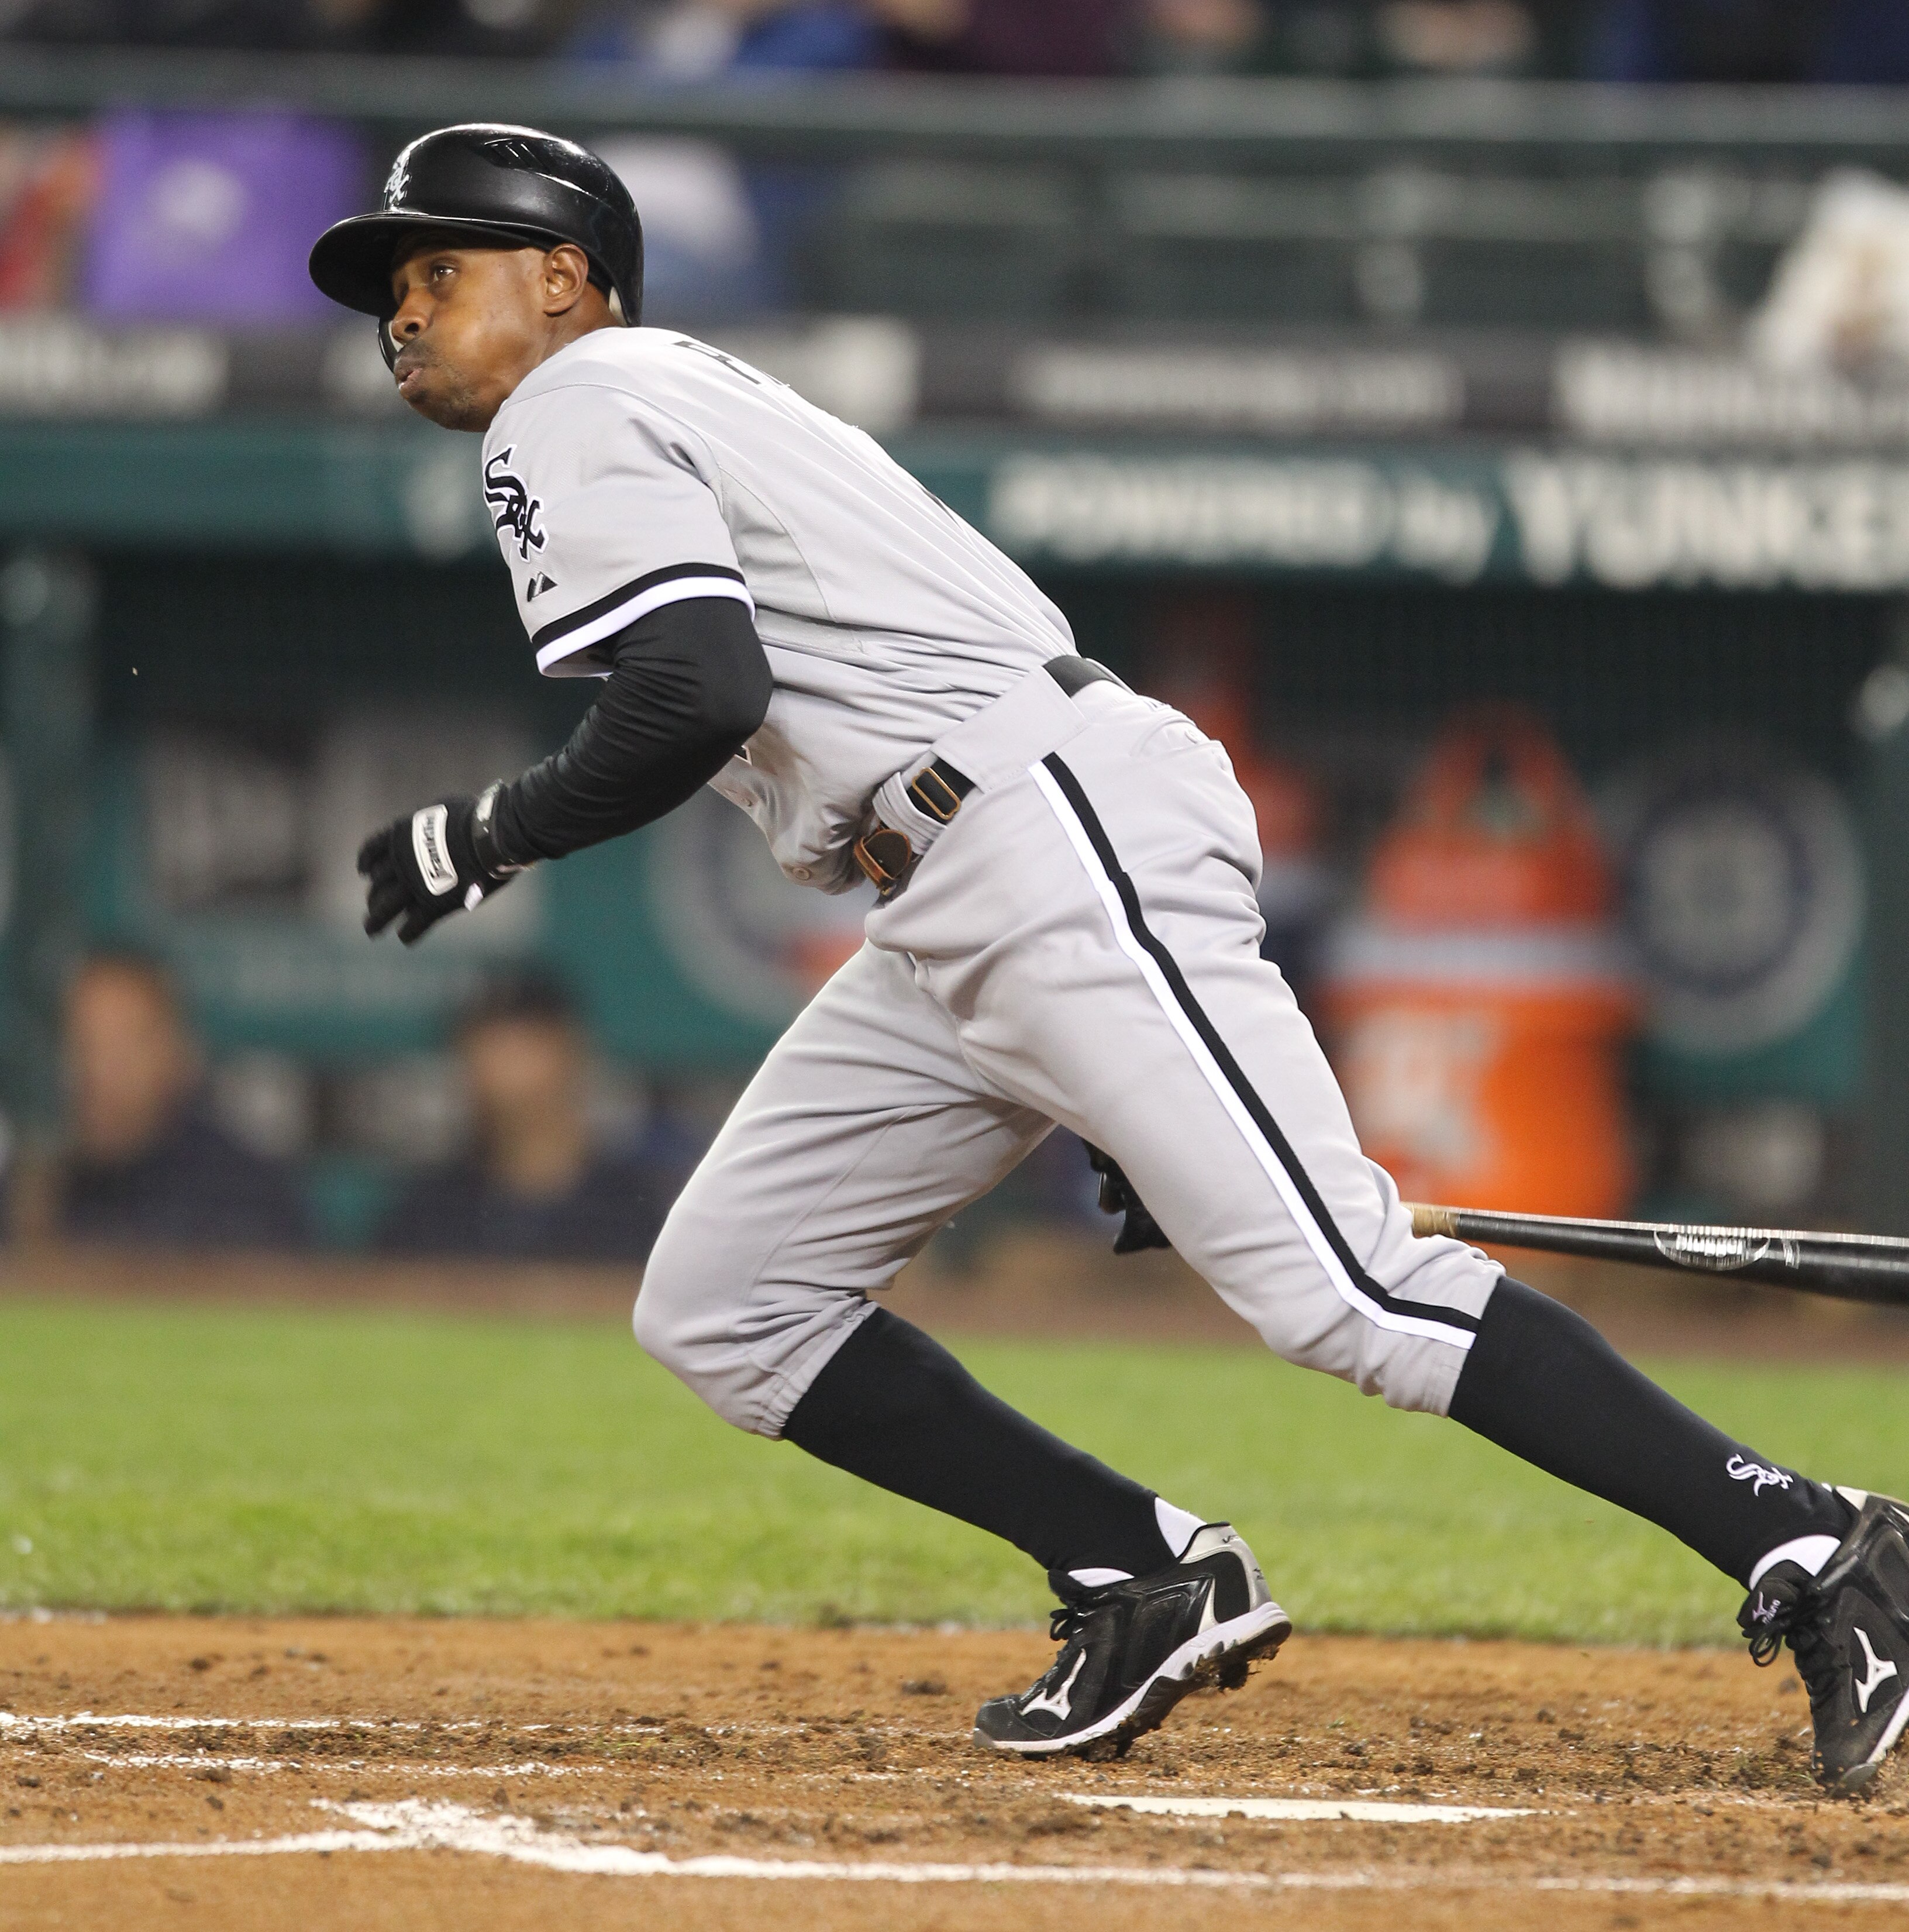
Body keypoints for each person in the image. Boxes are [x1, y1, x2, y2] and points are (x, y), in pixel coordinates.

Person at [309, 126, 1909, 1786]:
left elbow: (691, 689)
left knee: (1344, 1284)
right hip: (963, 876)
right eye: (394, 290)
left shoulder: (579, 397)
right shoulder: (670, 390)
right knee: (731, 1300)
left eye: (440, 270)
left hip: (1033, 831)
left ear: (565, 278)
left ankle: (1819, 1547)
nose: (404, 315)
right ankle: (1143, 1570)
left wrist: (486, 831)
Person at [375, 972, 695, 1263]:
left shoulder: (631, 1210)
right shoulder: (431, 1212)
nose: (499, 1065)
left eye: (522, 1042)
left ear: (570, 1049)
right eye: (483, 1044)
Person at [56, 952, 309, 1250]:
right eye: (84, 1047)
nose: (97, 1073)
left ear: (178, 1054)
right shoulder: (34, 1189)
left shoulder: (243, 1197)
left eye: (121, 1050)